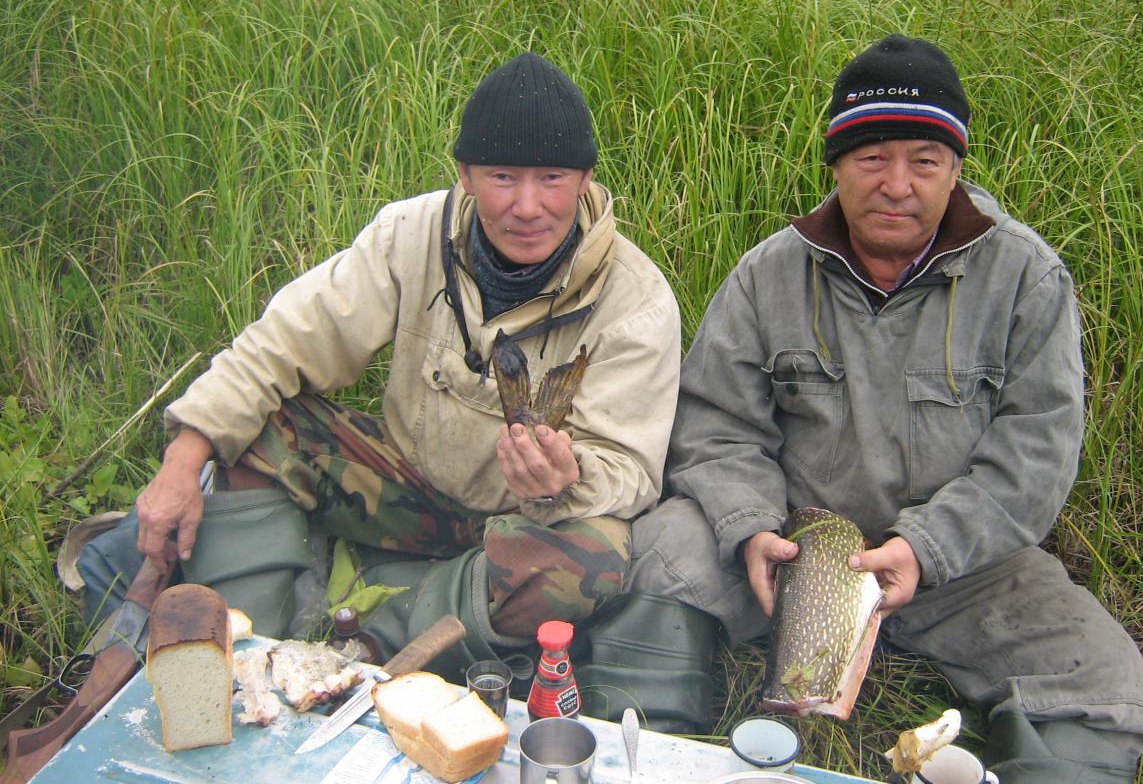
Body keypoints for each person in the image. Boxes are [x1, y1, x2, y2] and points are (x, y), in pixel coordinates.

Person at [78, 52, 693, 705]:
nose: (526, 206)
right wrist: (183, 459)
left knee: (590, 564)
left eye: (551, 178)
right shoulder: (409, 234)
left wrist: (564, 477)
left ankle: (367, 652)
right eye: (502, 177)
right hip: (408, 485)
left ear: (585, 179)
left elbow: (629, 473)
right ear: (464, 176)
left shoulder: (636, 301)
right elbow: (281, 343)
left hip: (528, 523)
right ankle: (243, 656)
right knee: (265, 425)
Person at [626, 36, 1143, 779]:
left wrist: (925, 550)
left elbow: (1033, 459)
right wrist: (749, 529)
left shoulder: (1024, 277)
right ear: (834, 164)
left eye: (922, 161)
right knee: (658, 554)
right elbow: (714, 425)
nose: (894, 184)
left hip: (957, 567)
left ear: (955, 169)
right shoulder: (768, 273)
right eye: (870, 158)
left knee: (1102, 677)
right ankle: (644, 757)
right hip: (795, 554)